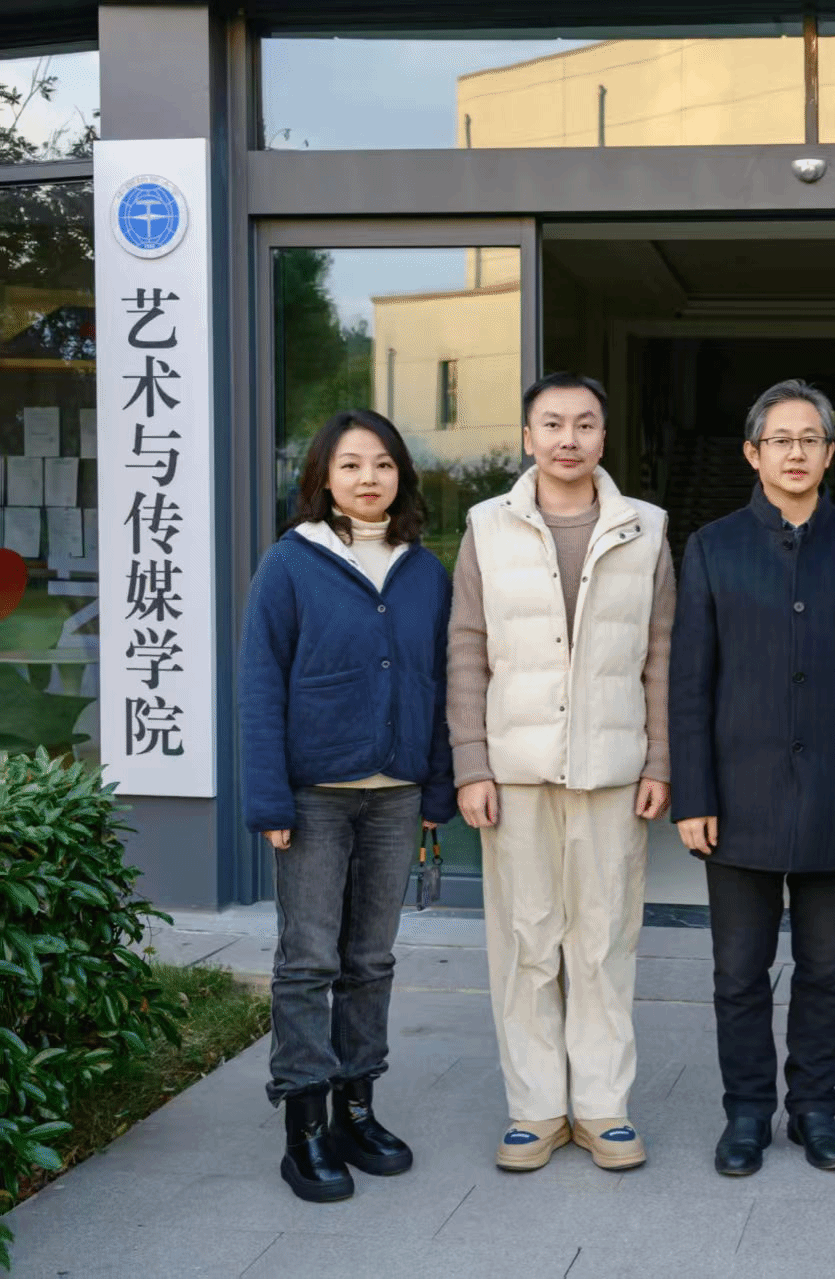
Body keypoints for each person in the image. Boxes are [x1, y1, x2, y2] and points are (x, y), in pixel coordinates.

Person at [671, 380, 835, 1178]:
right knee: (738, 973)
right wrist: (693, 795)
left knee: (828, 970)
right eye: (781, 439)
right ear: (753, 452)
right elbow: (689, 685)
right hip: (738, 798)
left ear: (830, 452)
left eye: (811, 438)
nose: (796, 452)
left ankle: (814, 1108)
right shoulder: (712, 547)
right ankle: (746, 1111)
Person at [447, 372, 674, 1174]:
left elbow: (662, 652)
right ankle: (536, 1108)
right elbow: (467, 647)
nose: (567, 438)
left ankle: (604, 1107)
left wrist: (660, 758)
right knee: (525, 941)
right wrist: (470, 763)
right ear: (527, 437)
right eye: (551, 423)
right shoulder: (487, 525)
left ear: (603, 437)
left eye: (583, 423)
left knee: (604, 940)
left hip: (612, 770)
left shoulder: (645, 526)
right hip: (516, 771)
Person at [240, 409, 454, 1202]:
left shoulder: (423, 569)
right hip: (313, 797)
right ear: (324, 478)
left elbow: (441, 681)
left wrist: (437, 784)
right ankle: (304, 1126)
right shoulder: (290, 563)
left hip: (396, 795)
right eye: (352, 464)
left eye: (384, 464)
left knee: (371, 959)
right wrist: (269, 796)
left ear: (402, 476)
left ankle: (355, 1109)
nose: (369, 477)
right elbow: (260, 682)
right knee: (308, 960)